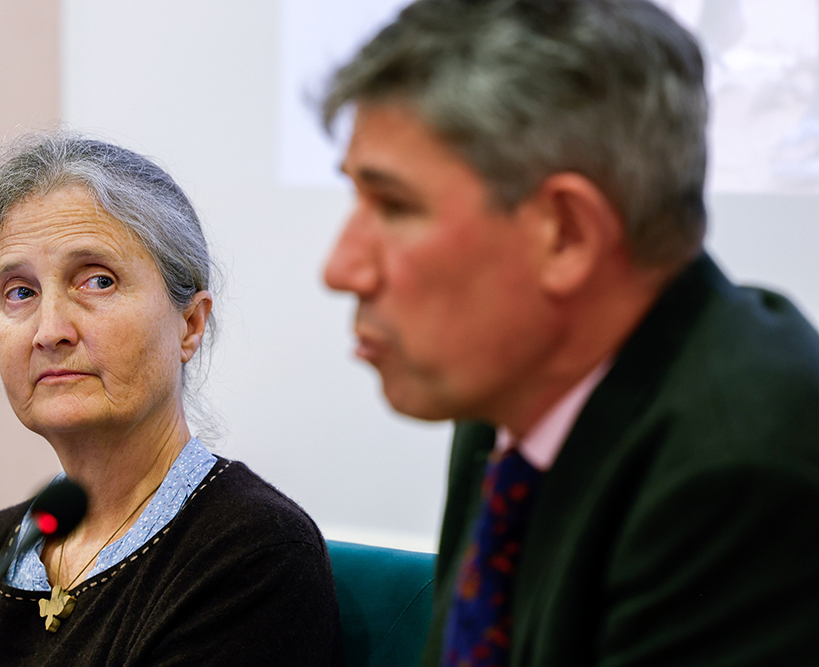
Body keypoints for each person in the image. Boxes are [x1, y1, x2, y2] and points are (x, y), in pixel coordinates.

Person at [320, 0, 819, 665]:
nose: (340, 267)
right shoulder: (511, 397)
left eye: (395, 206)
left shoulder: (746, 465)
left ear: (568, 233)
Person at [0, 132, 343, 666]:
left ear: (190, 324)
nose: (51, 330)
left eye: (97, 281)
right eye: (20, 292)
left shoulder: (253, 553)